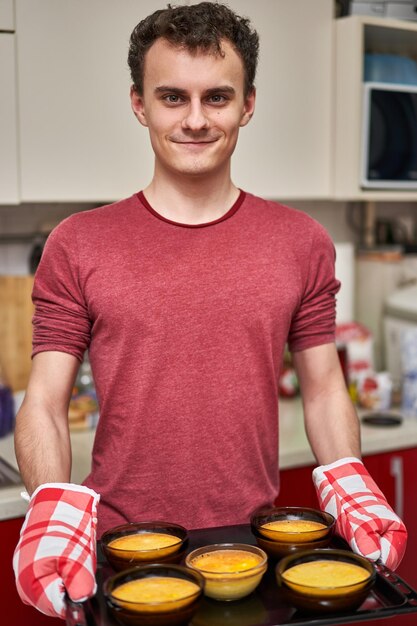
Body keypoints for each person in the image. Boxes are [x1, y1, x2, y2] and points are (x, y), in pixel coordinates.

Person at [12, 2, 406, 619]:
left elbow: (325, 387)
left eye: (217, 98)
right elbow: (44, 402)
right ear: (139, 103)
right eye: (172, 97)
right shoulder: (78, 243)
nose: (195, 120)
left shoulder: (301, 241)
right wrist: (53, 516)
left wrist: (354, 489)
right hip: (123, 549)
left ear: (248, 104)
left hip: (253, 547)